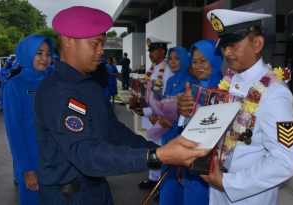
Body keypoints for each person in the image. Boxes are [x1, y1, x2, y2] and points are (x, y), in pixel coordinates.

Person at [33, 6, 208, 205]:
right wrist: (156, 155)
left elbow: (114, 132)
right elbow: (87, 154)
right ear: (67, 41)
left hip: (97, 191)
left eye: (103, 43)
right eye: (95, 43)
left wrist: (162, 151)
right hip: (67, 197)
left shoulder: (89, 86)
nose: (101, 51)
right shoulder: (56, 91)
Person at [179, 9, 293, 205]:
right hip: (218, 189)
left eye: (233, 45)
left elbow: (284, 161)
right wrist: (188, 112)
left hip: (249, 195)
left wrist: (229, 182)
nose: (227, 52)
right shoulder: (230, 80)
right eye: (224, 46)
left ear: (257, 43)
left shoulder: (275, 92)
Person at [3, 34, 54, 205]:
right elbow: (14, 132)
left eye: (48, 53)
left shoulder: (52, 81)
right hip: (31, 162)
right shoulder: (15, 85)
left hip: (56, 161)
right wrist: (26, 169)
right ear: (26, 53)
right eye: (38, 53)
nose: (45, 59)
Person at [177, 39, 224, 205]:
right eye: (194, 61)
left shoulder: (225, 90)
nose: (198, 66)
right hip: (192, 162)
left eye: (203, 61)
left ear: (215, 60)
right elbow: (186, 128)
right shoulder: (195, 87)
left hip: (209, 168)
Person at [159, 46, 198, 205]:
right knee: (167, 177)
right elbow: (164, 104)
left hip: (181, 136)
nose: (173, 61)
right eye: (170, 58)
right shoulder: (170, 80)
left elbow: (192, 115)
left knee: (179, 179)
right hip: (167, 133)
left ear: (184, 59)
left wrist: (173, 122)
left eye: (177, 58)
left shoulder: (192, 82)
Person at [135, 37, 174, 191]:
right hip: (150, 114)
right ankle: (153, 178)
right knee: (152, 148)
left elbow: (167, 98)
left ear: (162, 51)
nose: (150, 54)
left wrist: (156, 114)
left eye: (153, 51)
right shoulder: (153, 68)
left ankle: (160, 184)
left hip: (160, 117)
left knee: (160, 150)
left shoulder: (168, 70)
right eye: (149, 51)